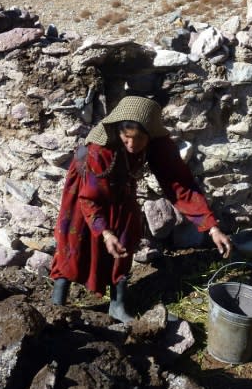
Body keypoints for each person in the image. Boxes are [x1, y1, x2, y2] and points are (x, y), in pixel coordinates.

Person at [49, 95, 232, 322]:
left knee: (126, 237)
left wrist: (211, 226)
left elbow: (179, 183)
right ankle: (57, 304)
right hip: (87, 191)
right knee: (75, 242)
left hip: (121, 190)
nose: (133, 146)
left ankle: (117, 305)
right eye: (126, 139)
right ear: (118, 132)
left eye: (139, 140)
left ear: (150, 135)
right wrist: (105, 232)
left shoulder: (157, 144)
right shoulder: (100, 149)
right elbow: (91, 199)